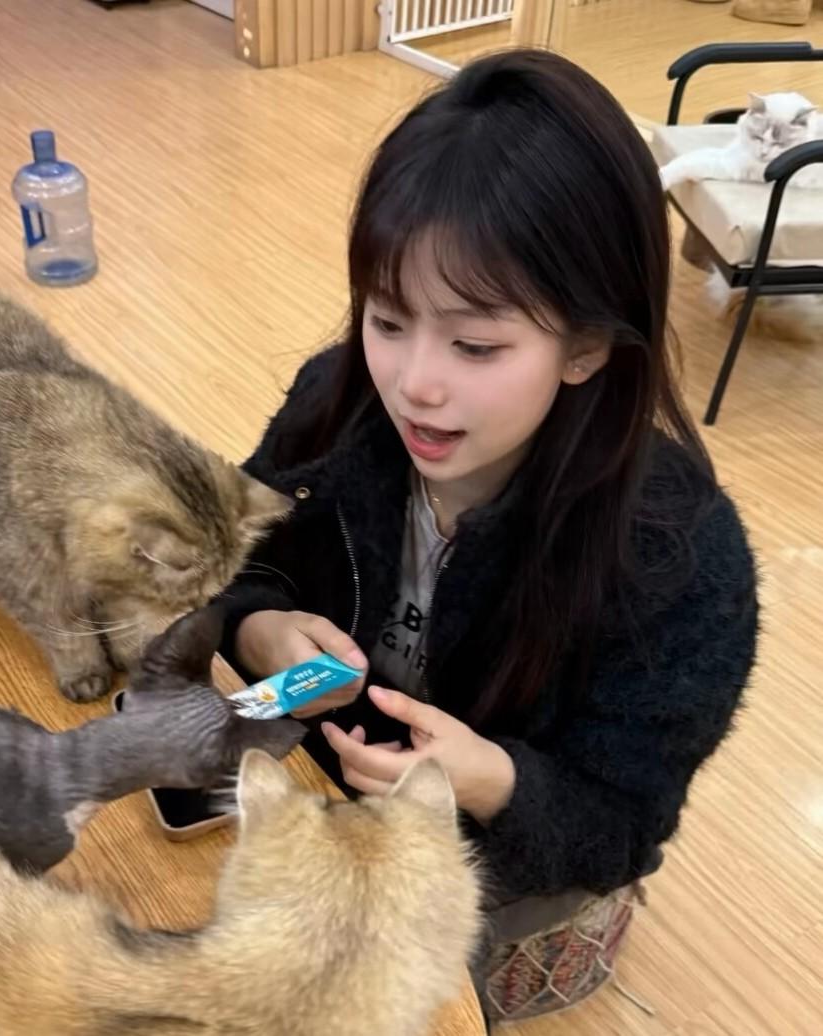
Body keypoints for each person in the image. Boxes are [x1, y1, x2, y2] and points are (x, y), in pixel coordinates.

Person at [219, 49, 758, 1020]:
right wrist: (259, 630)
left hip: (494, 870)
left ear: (587, 346)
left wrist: (490, 781)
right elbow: (226, 560)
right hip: (309, 802)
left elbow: (622, 824)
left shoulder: (678, 557)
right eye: (387, 320)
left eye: (475, 345)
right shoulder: (337, 403)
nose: (414, 384)